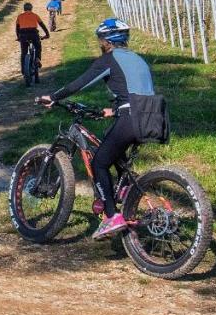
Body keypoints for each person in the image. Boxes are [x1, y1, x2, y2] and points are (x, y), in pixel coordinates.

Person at [37, 18, 154, 240]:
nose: (99, 43)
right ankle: (126, 194)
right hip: (154, 116)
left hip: (131, 117)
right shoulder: (139, 59)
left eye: (100, 39)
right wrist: (115, 110)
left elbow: (79, 83)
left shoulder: (108, 59)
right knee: (117, 156)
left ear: (106, 40)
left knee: (99, 162)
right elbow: (137, 90)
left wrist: (53, 97)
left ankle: (111, 217)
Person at [15, 3, 50, 80]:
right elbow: (42, 25)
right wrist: (47, 34)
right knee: (38, 47)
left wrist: (18, 37)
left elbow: (17, 28)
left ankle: (24, 70)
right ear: (31, 8)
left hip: (23, 35)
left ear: (24, 9)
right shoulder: (35, 15)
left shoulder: (20, 16)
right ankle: (37, 59)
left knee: (23, 53)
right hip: (33, 34)